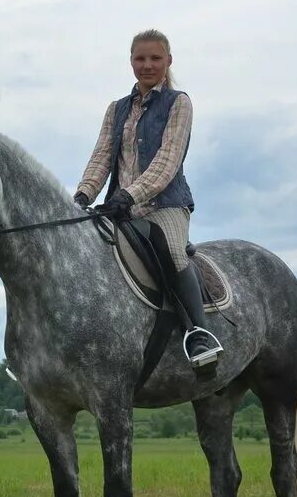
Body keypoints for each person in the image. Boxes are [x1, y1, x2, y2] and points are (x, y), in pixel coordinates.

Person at [74, 29, 222, 371]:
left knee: (171, 251)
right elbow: (101, 157)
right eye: (140, 59)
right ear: (131, 62)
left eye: (155, 58)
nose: (148, 65)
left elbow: (167, 161)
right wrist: (83, 195)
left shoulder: (178, 103)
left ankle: (198, 334)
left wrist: (130, 194)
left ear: (168, 61)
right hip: (118, 210)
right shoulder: (117, 110)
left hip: (164, 207)